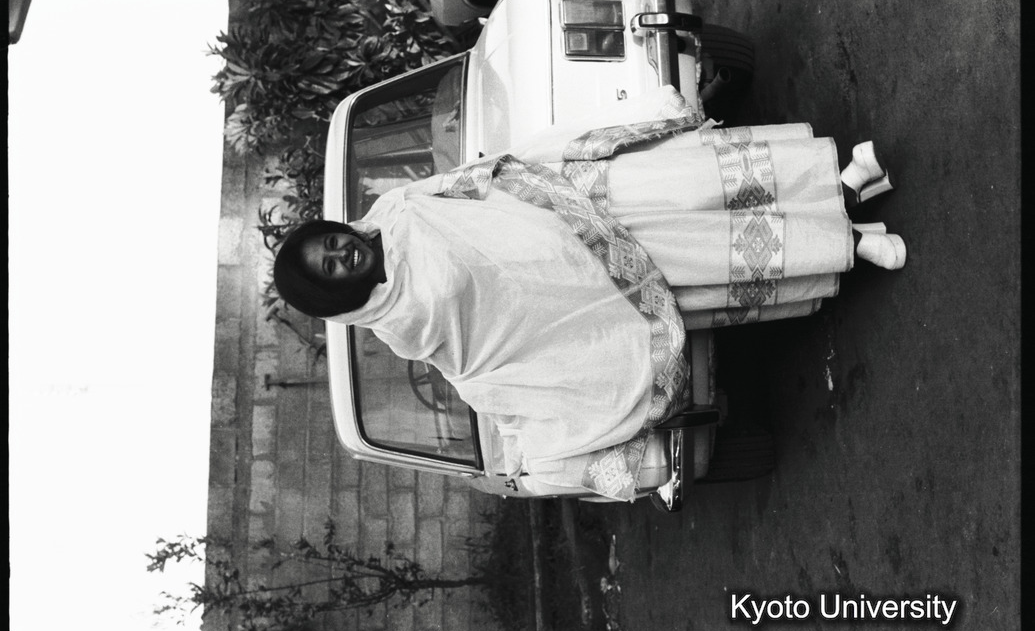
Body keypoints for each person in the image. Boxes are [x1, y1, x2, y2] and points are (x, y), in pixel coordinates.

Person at [274, 86, 906, 501]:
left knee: (702, 188)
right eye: (331, 268)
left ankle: (844, 183)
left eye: (330, 243)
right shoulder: (403, 324)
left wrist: (548, 177)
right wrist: (532, 444)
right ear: (337, 295)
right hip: (601, 290)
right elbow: (479, 363)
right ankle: (850, 242)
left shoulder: (394, 209)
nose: (342, 254)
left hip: (591, 201)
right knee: (719, 255)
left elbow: (475, 180)